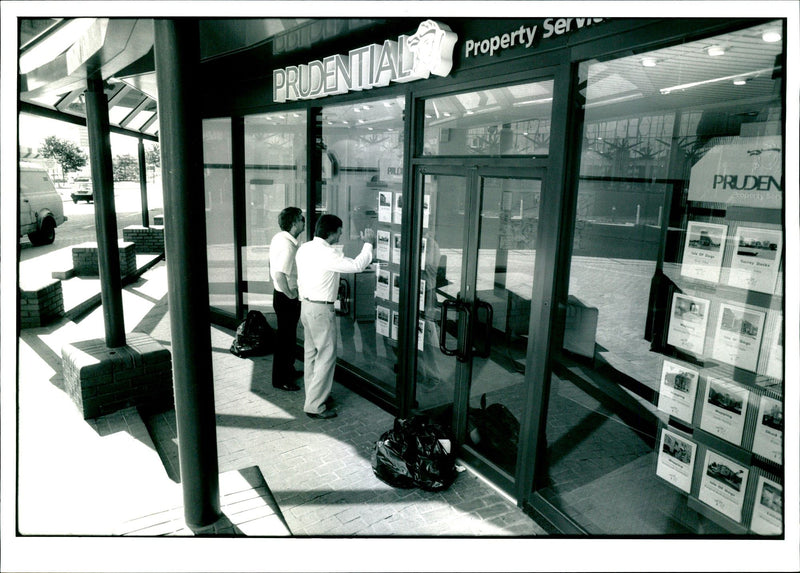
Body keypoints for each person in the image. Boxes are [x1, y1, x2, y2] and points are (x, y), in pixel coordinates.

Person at [295, 214, 375, 419]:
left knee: (311, 354)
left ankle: (313, 395)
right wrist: (368, 244)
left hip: (306, 306)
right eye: (339, 231)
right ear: (331, 233)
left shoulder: (305, 248)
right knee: (326, 356)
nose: (340, 235)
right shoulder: (327, 254)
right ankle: (315, 405)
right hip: (321, 310)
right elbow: (357, 266)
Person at [269, 207, 305, 391]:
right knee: (285, 339)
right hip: (286, 298)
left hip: (280, 296)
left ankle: (288, 370)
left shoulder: (280, 238)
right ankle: (280, 379)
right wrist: (291, 294)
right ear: (294, 223)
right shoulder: (288, 246)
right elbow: (279, 274)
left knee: (288, 337)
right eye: (301, 219)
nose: (304, 221)